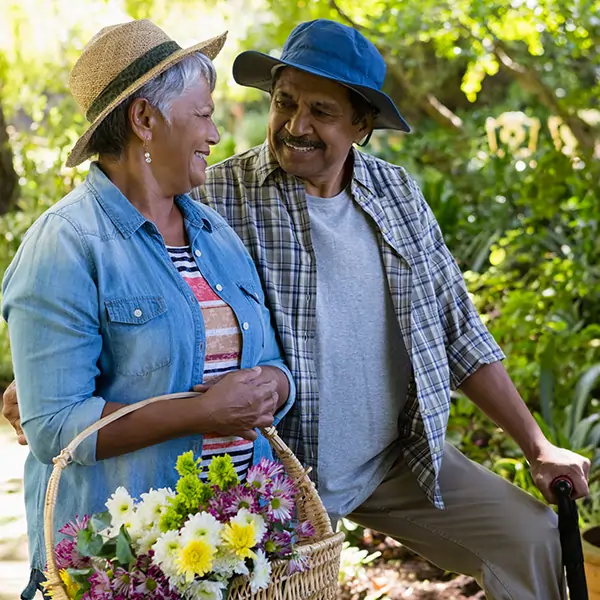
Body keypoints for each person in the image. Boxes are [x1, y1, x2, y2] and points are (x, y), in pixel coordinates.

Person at [3, 17, 591, 600]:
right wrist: (43, 387)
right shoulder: (214, 196)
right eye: (284, 103)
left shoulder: (396, 196)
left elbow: (458, 329)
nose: (295, 125)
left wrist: (537, 446)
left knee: (531, 539)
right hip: (283, 471)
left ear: (361, 125)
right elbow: (120, 224)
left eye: (322, 112)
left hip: (389, 456)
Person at [1, 20, 295, 600]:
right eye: (204, 114)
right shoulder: (66, 243)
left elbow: (273, 364)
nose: (215, 133)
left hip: (235, 553)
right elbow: (56, 427)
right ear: (144, 121)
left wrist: (272, 389)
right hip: (122, 566)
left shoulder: (214, 235)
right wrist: (202, 413)